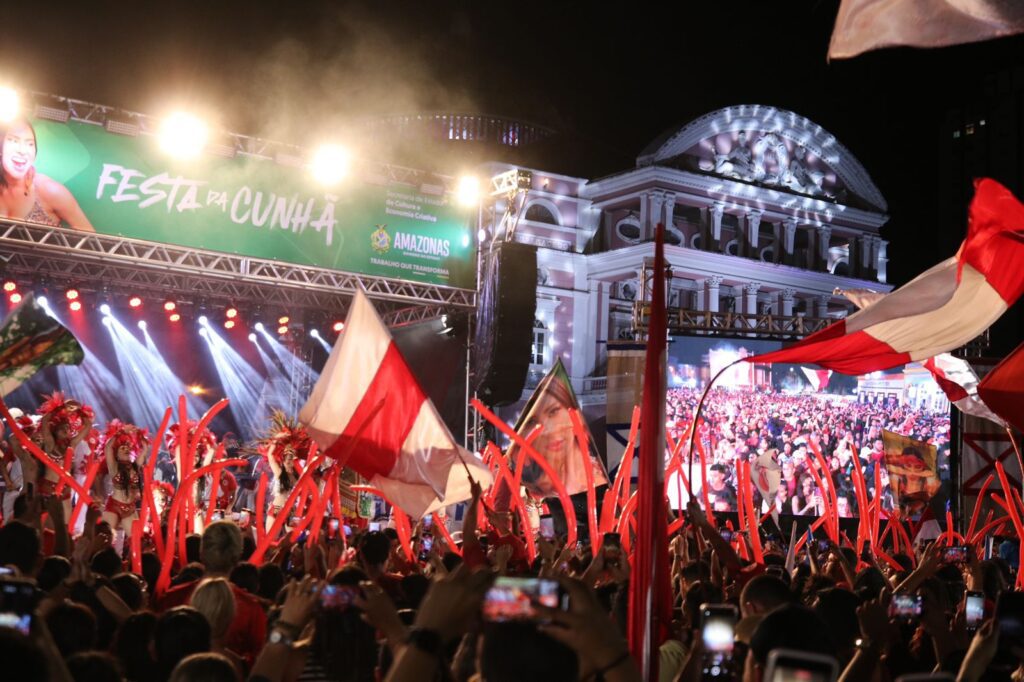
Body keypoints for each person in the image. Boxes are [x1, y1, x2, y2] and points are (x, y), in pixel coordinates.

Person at [0, 119, 95, 231]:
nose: (22, 151)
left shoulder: (49, 190)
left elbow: (93, 241)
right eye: (13, 141)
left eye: (30, 144)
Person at [100, 420, 149, 554]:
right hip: (114, 506)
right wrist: (120, 432)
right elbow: (108, 447)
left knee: (137, 542)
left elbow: (145, 448)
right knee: (104, 540)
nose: (126, 449)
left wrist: (139, 434)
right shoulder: (113, 467)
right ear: (116, 453)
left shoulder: (134, 466)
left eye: (128, 447)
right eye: (122, 448)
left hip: (130, 508)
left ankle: (132, 568)